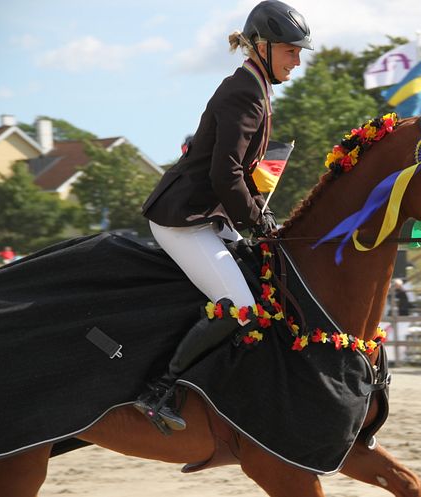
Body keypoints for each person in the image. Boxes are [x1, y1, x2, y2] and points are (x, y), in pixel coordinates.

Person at [133, 0, 313, 433]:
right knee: (241, 310)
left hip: (207, 214)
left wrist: (259, 218)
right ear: (264, 48)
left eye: (299, 51)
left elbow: (239, 172)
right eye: (291, 50)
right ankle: (158, 390)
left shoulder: (255, 86)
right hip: (183, 219)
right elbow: (224, 171)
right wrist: (255, 220)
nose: (297, 60)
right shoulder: (244, 91)